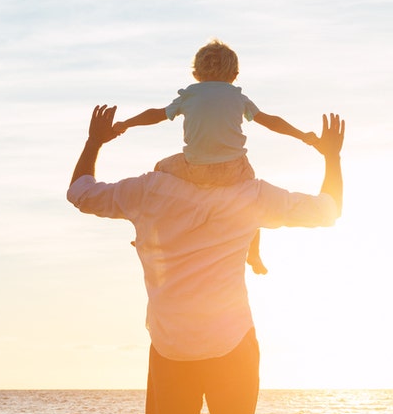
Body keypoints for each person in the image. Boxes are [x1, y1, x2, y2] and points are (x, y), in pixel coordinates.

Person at [68, 105, 345, 414]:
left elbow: (80, 193)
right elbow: (328, 211)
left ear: (187, 130)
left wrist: (95, 142)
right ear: (236, 136)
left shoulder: (148, 188)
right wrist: (331, 157)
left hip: (172, 343)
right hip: (233, 342)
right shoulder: (251, 194)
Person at [111, 39, 318, 275]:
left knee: (159, 169)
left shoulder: (189, 95)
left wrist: (125, 124)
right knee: (252, 202)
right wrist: (302, 135)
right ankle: (254, 254)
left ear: (196, 73)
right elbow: (270, 121)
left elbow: (155, 115)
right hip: (234, 170)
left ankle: (148, 232)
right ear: (235, 74)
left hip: (195, 169)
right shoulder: (238, 97)